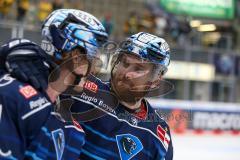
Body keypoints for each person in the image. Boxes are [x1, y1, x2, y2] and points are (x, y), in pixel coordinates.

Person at [2, 31, 174, 159]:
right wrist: (19, 51)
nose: (126, 73)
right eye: (124, 63)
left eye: (138, 69)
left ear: (156, 80)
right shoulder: (80, 87)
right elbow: (45, 65)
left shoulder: (159, 134)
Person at [0, 9, 108, 160]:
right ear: (76, 56)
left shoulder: (75, 131)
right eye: (94, 55)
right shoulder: (14, 97)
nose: (97, 68)